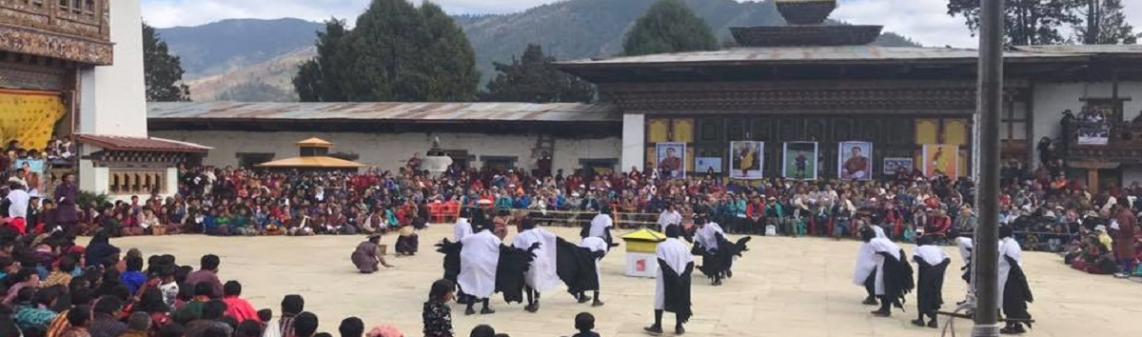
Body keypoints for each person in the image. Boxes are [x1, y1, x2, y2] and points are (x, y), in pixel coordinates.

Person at [644, 225, 693, 335]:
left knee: (660, 299)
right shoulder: (683, 246)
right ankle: (679, 326)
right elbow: (690, 263)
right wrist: (683, 276)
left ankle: (658, 325)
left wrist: (672, 276)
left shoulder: (662, 246)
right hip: (681, 277)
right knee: (680, 299)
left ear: (666, 233)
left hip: (665, 278)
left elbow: (662, 262)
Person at [512, 219, 559, 313]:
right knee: (538, 279)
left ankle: (530, 303)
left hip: (530, 258)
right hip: (543, 258)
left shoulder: (521, 236)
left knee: (529, 281)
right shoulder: (539, 231)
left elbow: (515, 248)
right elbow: (553, 236)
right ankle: (537, 299)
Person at [866, 226, 913, 317]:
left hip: (890, 264)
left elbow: (885, 254)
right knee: (881, 285)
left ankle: (886, 309)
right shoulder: (879, 240)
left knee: (884, 285)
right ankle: (884, 307)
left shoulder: (874, 242)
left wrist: (894, 266)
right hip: (889, 263)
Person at [458, 223, 501, 315]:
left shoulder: (472, 236)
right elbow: (502, 249)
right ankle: (485, 307)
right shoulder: (494, 238)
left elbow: (459, 243)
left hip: (471, 263)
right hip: (486, 265)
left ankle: (469, 308)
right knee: (487, 284)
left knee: (472, 284)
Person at [998, 226, 1033, 335]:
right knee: (1014, 301)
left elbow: (1012, 262)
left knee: (1010, 302)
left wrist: (1021, 279)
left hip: (1011, 276)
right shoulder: (1008, 243)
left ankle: (1010, 326)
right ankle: (1017, 325)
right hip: (1008, 275)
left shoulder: (1009, 245)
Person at [912, 235, 951, 328]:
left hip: (925, 273)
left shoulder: (919, 248)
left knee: (922, 293)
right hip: (938, 274)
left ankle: (920, 319)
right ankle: (934, 320)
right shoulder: (938, 248)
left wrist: (928, 267)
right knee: (935, 293)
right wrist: (938, 268)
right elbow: (947, 259)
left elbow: (916, 258)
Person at [852, 225, 886, 306]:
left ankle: (874, 298)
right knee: (868, 282)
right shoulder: (868, 243)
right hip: (869, 265)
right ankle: (872, 297)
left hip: (876, 265)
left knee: (870, 282)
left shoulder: (874, 243)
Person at [578, 236, 607, 306]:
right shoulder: (602, 241)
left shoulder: (586, 239)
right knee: (596, 278)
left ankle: (582, 297)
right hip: (591, 259)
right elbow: (602, 252)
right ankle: (596, 300)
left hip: (581, 258)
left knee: (582, 277)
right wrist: (593, 257)